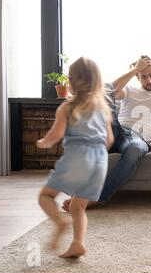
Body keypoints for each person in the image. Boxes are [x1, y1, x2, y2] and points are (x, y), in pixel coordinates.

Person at [62, 55, 151, 211]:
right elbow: (109, 90)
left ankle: (95, 198)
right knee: (105, 90)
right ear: (138, 77)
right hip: (116, 130)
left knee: (135, 150)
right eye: (144, 76)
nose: (149, 80)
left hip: (138, 139)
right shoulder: (130, 91)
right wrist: (135, 69)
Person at [37, 57, 114, 258]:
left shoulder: (67, 107)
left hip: (78, 158)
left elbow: (56, 134)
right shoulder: (103, 109)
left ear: (72, 81)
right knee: (78, 206)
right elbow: (110, 139)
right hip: (100, 162)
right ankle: (78, 243)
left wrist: (43, 142)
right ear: (97, 82)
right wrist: (96, 154)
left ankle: (60, 222)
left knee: (45, 196)